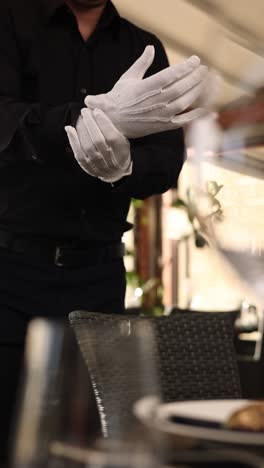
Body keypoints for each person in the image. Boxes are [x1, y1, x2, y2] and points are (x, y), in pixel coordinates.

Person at [0, 0, 209, 462]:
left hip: (99, 279)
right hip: (10, 276)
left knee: (97, 441)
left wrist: (126, 167)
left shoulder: (144, 46)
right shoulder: (10, 21)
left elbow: (167, 162)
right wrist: (87, 118)